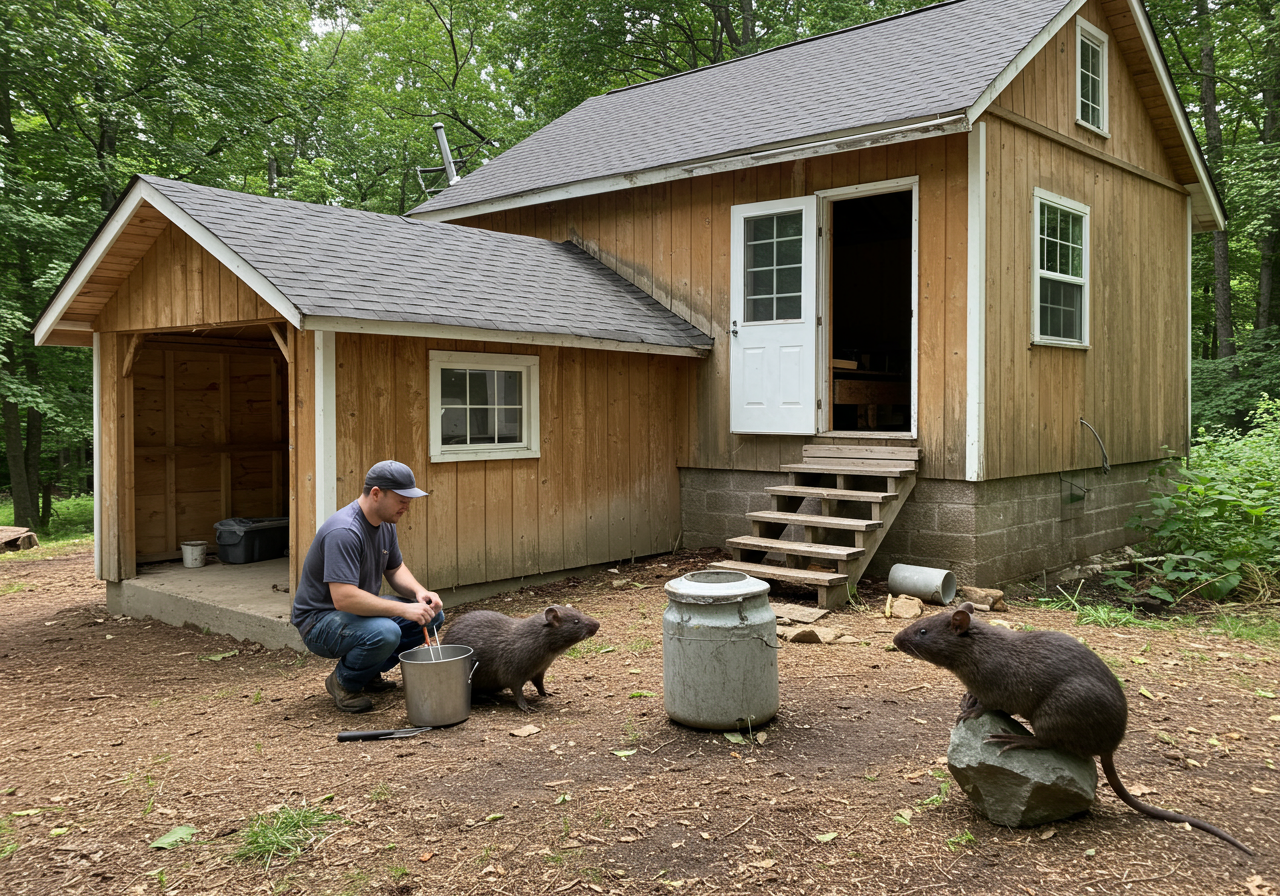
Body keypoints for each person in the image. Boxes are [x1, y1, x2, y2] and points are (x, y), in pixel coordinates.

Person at [290, 460, 444, 713]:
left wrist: (420, 592)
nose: (407, 506)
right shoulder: (344, 531)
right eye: (402, 500)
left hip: (356, 613)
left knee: (432, 616)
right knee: (386, 632)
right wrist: (404, 610)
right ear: (376, 493)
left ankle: (367, 671)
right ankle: (344, 683)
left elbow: (394, 568)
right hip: (320, 621)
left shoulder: (385, 523)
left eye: (409, 500)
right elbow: (344, 599)